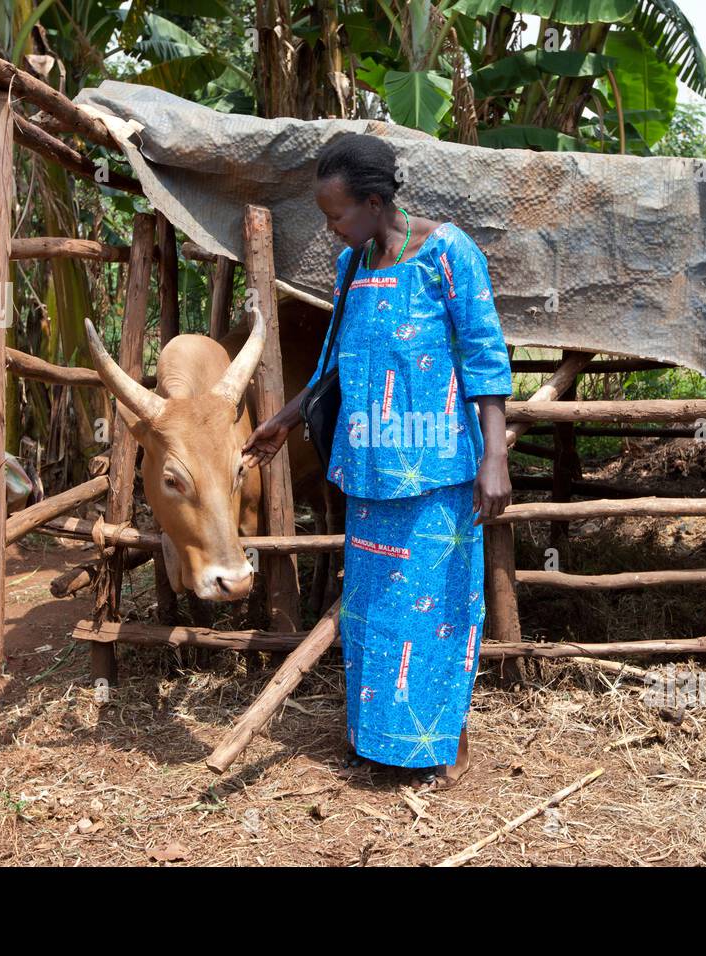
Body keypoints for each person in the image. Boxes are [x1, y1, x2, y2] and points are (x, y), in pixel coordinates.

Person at [241, 132, 513, 791]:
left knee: (437, 613)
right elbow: (337, 362)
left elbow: (485, 357)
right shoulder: (353, 268)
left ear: (372, 201)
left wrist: (495, 456)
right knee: (373, 616)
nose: (331, 230)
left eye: (336, 216)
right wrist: (282, 419)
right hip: (368, 475)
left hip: (437, 474)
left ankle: (446, 747)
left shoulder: (448, 254)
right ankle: (381, 745)